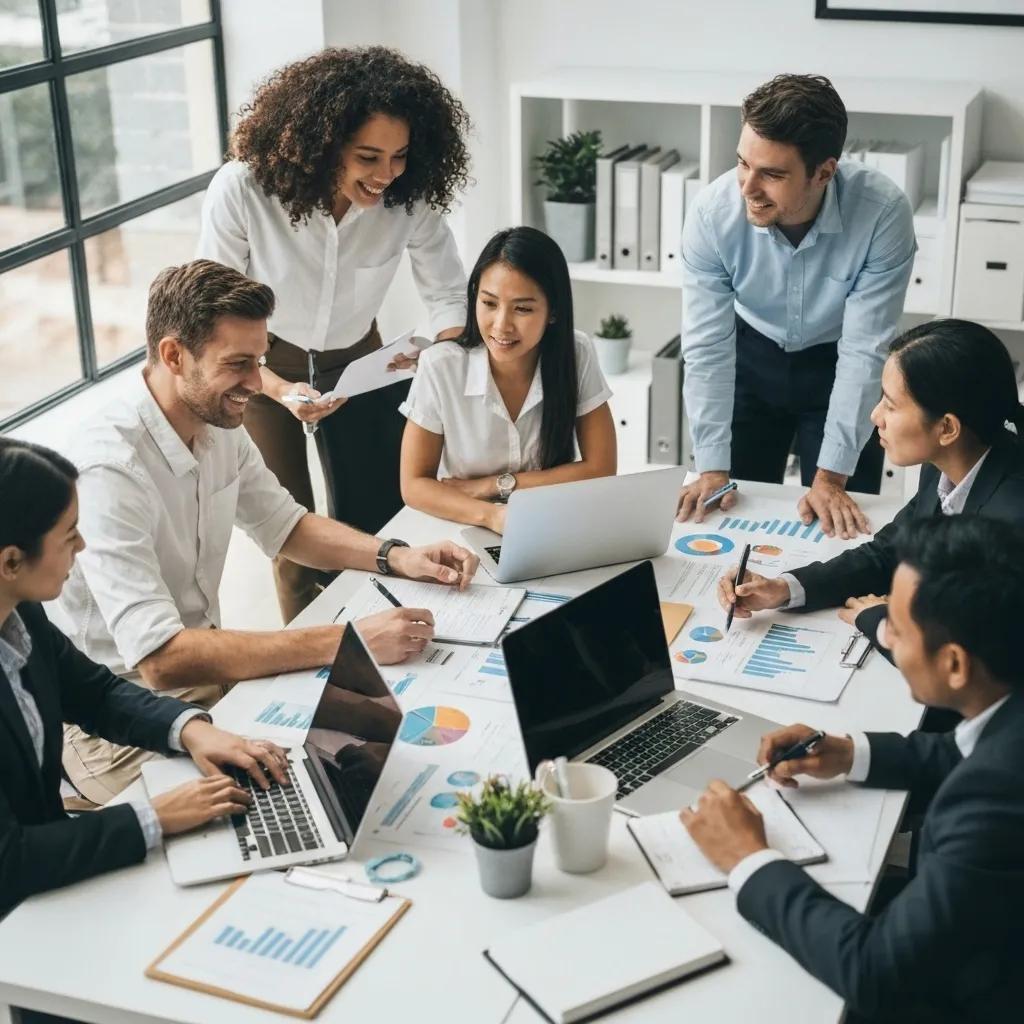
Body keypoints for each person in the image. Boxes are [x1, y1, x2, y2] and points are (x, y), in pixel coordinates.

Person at [57, 260, 478, 805]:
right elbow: (159, 659)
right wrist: (348, 642)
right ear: (173, 355)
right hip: (116, 723)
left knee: (383, 737)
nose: (257, 385)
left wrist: (396, 555)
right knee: (288, 800)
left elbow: (285, 524)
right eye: (238, 364)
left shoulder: (215, 421)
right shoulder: (109, 471)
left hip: (206, 684)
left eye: (258, 362)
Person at [682, 515, 1024, 1023]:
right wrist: (849, 753)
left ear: (954, 664)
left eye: (896, 628)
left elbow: (875, 973)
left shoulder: (995, 799)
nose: (885, 635)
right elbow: (967, 751)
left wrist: (747, 858)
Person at [197, 45, 471, 621]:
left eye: (400, 156)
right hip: (259, 366)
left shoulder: (408, 199)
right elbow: (214, 315)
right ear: (322, 145)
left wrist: (441, 353)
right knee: (289, 533)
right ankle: (311, 650)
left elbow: (449, 295)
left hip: (360, 363)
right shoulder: (244, 189)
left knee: (374, 523)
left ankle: (382, 632)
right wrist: (277, 389)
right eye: (368, 156)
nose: (386, 174)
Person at [0, 437, 294, 919]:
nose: (83, 546)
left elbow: (96, 694)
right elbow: (9, 861)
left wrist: (191, 729)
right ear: (11, 562)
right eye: (69, 535)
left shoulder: (21, 613)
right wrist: (153, 817)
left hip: (51, 882)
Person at [676, 74, 916, 539]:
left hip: (839, 365)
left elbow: (865, 348)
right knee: (731, 516)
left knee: (840, 527)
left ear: (823, 173)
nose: (747, 187)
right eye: (743, 163)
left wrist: (831, 478)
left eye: (772, 174)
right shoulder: (711, 215)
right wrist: (711, 466)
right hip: (749, 360)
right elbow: (706, 347)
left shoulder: (882, 214)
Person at [717, 319, 1024, 658]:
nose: (875, 416)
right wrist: (782, 589)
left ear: (947, 428)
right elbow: (890, 552)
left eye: (891, 405)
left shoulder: (1012, 519)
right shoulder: (947, 462)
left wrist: (879, 621)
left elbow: (972, 653)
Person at [399, 226, 616, 533]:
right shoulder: (440, 365)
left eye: (522, 309)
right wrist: (492, 516)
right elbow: (414, 485)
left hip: (554, 522)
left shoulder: (575, 352)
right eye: (489, 303)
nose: (501, 326)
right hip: (465, 524)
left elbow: (601, 468)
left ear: (553, 311)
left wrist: (496, 485)